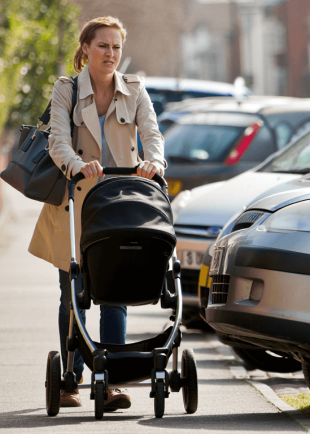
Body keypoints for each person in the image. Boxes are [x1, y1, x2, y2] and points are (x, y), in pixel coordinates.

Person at [28, 16, 166, 410]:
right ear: (86, 48)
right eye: (103, 46)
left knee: (115, 292)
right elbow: (57, 139)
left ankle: (112, 382)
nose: (111, 54)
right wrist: (76, 164)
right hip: (75, 202)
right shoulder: (67, 89)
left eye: (116, 47)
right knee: (73, 296)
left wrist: (154, 162)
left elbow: (152, 134)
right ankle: (71, 379)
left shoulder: (134, 89)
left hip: (122, 203)